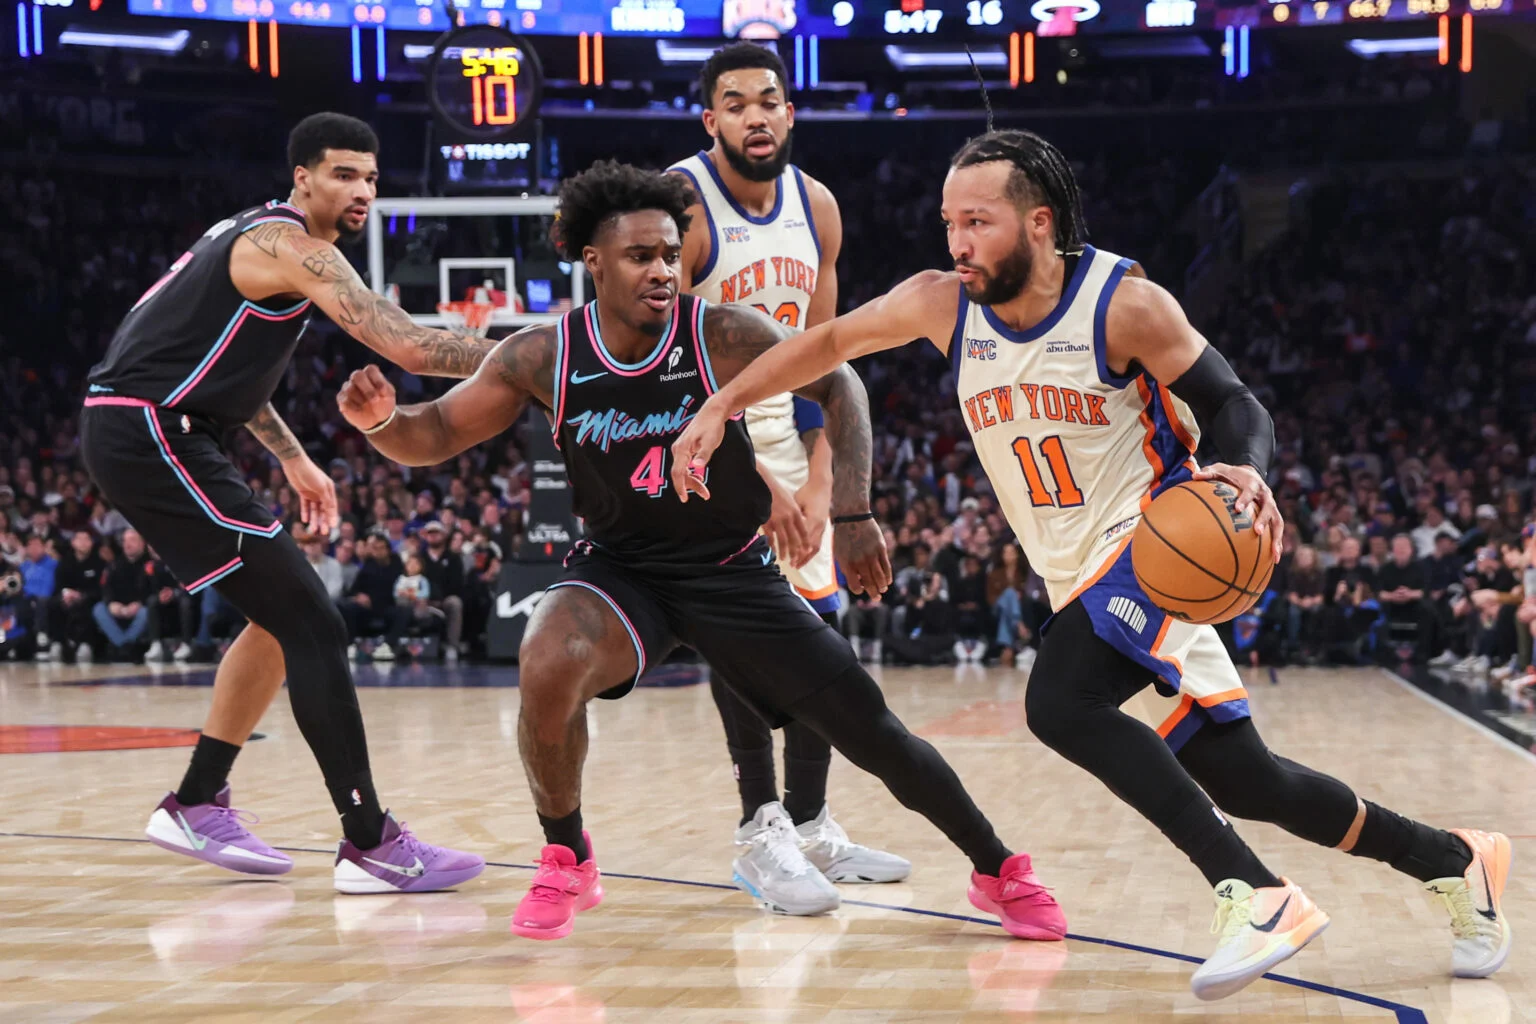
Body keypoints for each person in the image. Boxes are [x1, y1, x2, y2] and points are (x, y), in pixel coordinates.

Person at [672, 128, 1513, 999]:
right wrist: (721, 404)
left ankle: (1255, 893)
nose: (958, 242)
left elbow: (1233, 403)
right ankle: (1452, 859)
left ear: (1039, 222)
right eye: (949, 222)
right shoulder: (941, 305)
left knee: (1061, 702)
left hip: (1160, 541)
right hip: (1073, 573)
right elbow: (822, 345)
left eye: (978, 222)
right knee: (1250, 780)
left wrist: (1248, 469)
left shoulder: (1123, 305)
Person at [336, 161, 1063, 942]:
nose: (661, 271)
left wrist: (852, 510)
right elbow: (439, 430)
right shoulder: (544, 354)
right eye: (639, 256)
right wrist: (383, 423)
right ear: (593, 261)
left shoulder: (720, 331)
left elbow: (841, 385)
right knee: (548, 656)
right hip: (623, 572)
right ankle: (567, 857)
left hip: (729, 571)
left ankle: (997, 869)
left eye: (669, 255)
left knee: (873, 731)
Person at [79, 112, 486, 891]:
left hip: (162, 427)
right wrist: (541, 355)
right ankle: (370, 841)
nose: (362, 190)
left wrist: (294, 457)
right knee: (314, 621)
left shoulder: (263, 242)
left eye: (371, 177)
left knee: (278, 620)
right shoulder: (287, 244)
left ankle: (198, 800)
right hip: (151, 430)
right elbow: (404, 342)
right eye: (344, 174)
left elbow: (223, 369)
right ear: (303, 178)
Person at [666, 43, 909, 902]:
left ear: (790, 113)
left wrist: (816, 484)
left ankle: (809, 826)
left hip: (784, 437)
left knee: (820, 636)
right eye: (735, 104)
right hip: (695, 436)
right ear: (711, 120)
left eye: (768, 100)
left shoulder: (819, 207)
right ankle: (757, 829)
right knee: (742, 637)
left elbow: (824, 361)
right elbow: (671, 372)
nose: (755, 116)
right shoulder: (685, 205)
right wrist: (759, 488)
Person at [48, 529, 106, 663]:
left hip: (89, 598)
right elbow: (59, 585)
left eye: (87, 539)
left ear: (91, 543)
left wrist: (81, 595)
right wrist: (66, 594)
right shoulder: (64, 563)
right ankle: (57, 642)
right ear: (73, 543)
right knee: (53, 604)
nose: (83, 542)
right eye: (79, 539)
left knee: (88, 606)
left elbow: (100, 589)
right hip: (67, 597)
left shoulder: (99, 563)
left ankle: (86, 644)